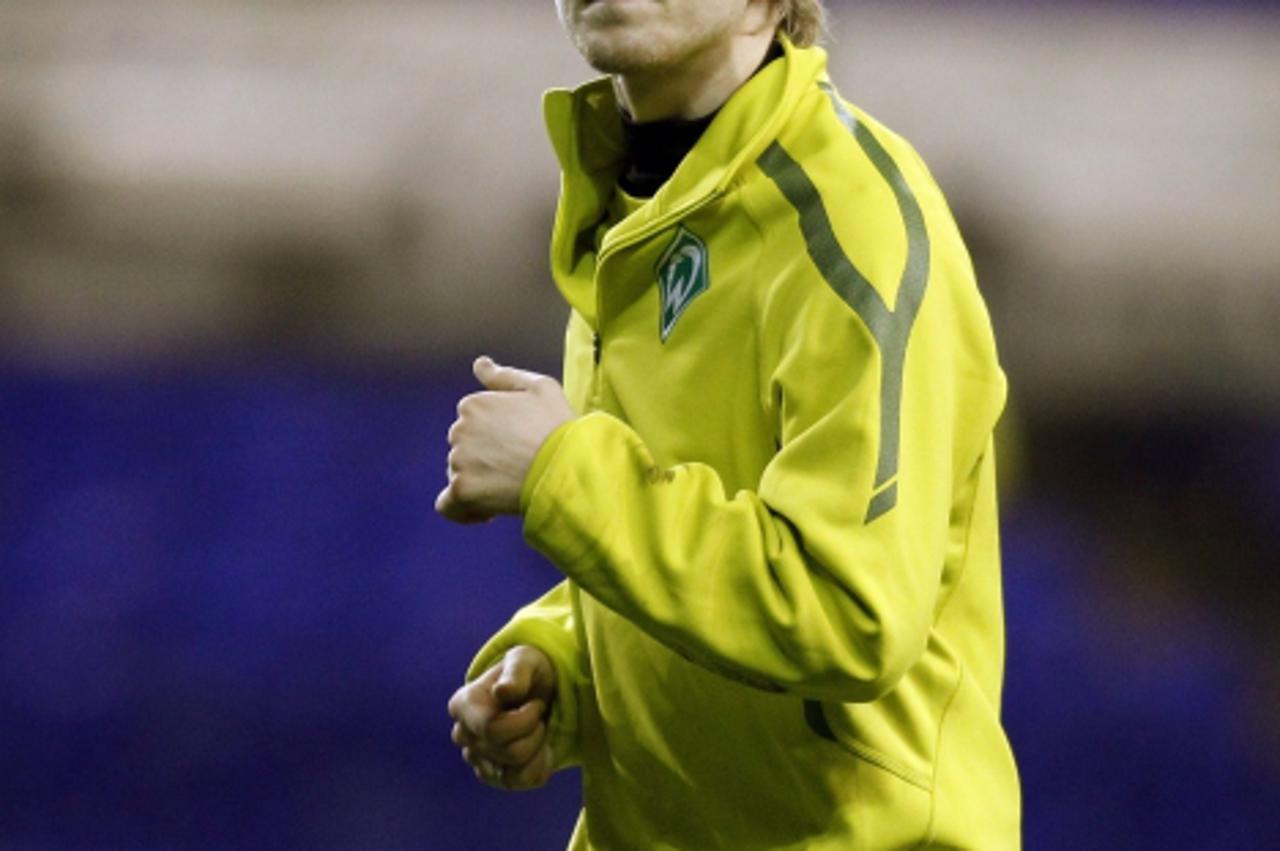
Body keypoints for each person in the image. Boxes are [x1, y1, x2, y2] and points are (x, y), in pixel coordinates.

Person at [439, 0, 1021, 847]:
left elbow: (847, 611)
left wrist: (562, 473)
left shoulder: (850, 225)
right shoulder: (639, 199)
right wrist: (564, 666)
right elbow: (696, 527)